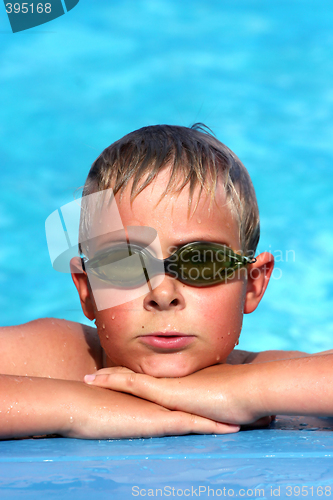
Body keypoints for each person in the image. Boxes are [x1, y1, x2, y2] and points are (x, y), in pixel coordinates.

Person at [1, 124, 332, 440]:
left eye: (202, 260)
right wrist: (78, 408)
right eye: (126, 262)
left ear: (252, 284)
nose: (162, 293)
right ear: (87, 291)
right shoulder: (63, 358)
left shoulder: (258, 372)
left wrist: (238, 392)